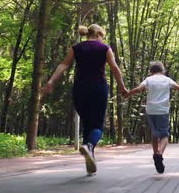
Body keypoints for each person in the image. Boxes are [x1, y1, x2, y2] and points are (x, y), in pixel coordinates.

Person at [42, 24, 128, 176]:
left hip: (80, 90)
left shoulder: (76, 48)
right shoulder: (105, 48)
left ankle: (91, 162)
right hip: (98, 89)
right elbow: (114, 68)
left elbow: (64, 64)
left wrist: (51, 81)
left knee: (88, 125)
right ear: (100, 34)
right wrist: (122, 87)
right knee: (97, 127)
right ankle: (89, 146)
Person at [123, 61, 179, 174]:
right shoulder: (167, 79)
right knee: (165, 135)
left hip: (151, 110)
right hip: (162, 110)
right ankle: (159, 154)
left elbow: (138, 89)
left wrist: (128, 94)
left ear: (151, 71)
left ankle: (155, 153)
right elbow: (178, 87)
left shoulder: (148, 79)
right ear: (163, 71)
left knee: (154, 133)